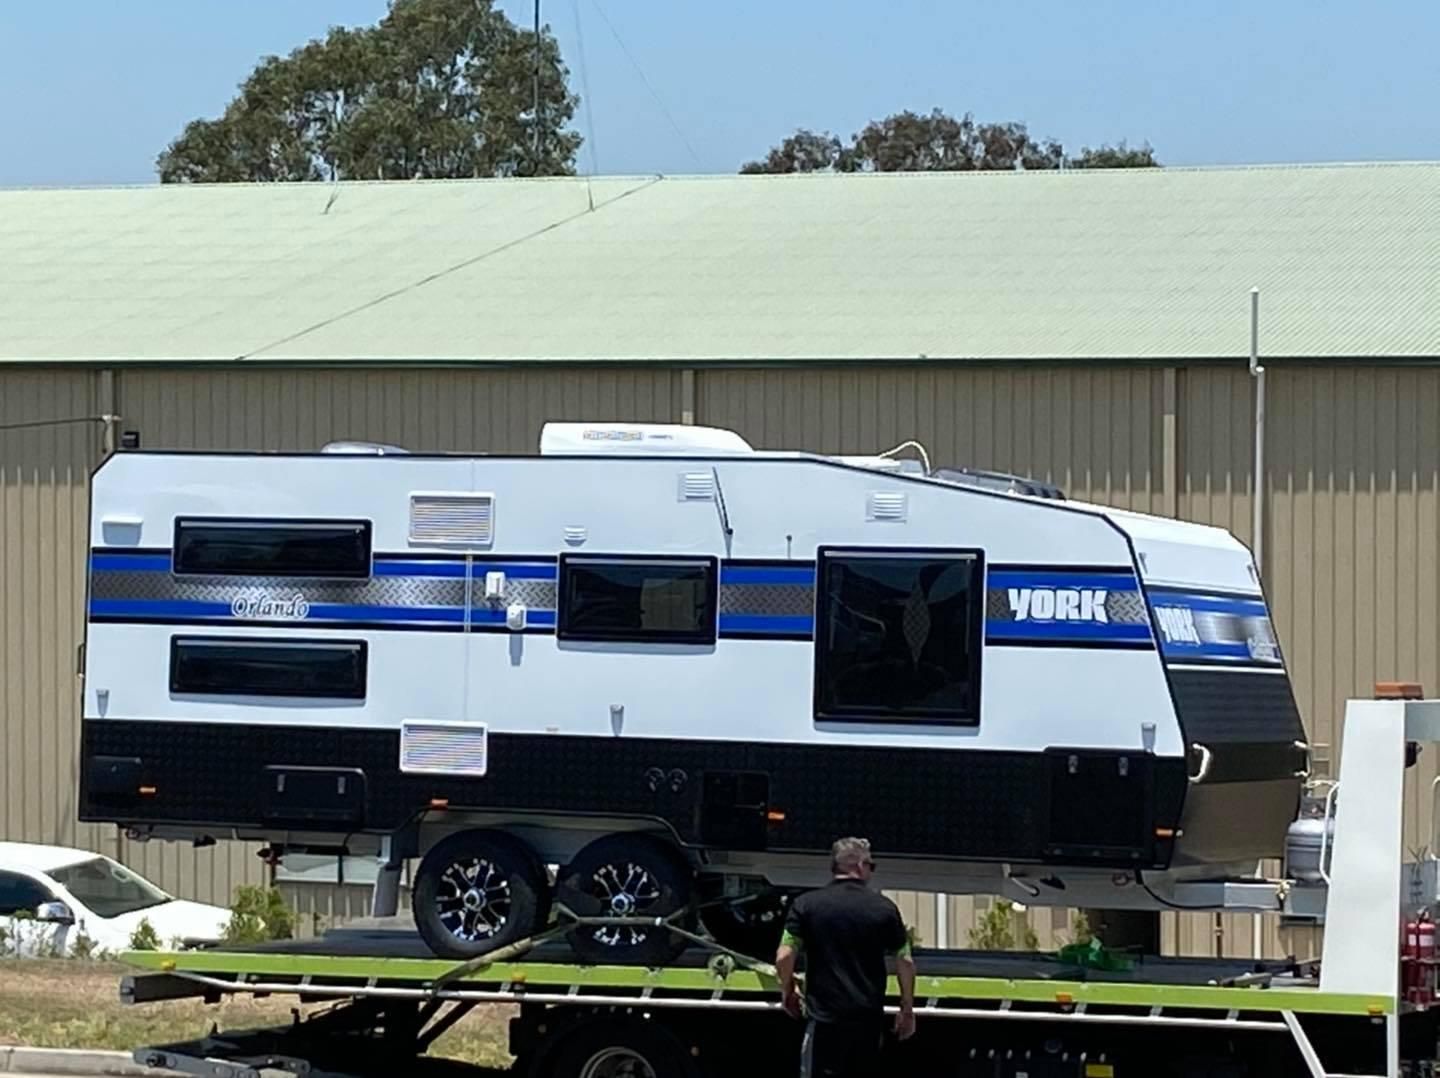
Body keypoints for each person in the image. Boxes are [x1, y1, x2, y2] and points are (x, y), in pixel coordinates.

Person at [775, 837, 917, 1077]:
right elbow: (905, 961)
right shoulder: (884, 909)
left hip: (824, 1021)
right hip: (867, 1022)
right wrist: (907, 1008)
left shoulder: (806, 905)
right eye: (871, 866)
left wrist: (788, 988)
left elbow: (784, 955)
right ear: (860, 866)